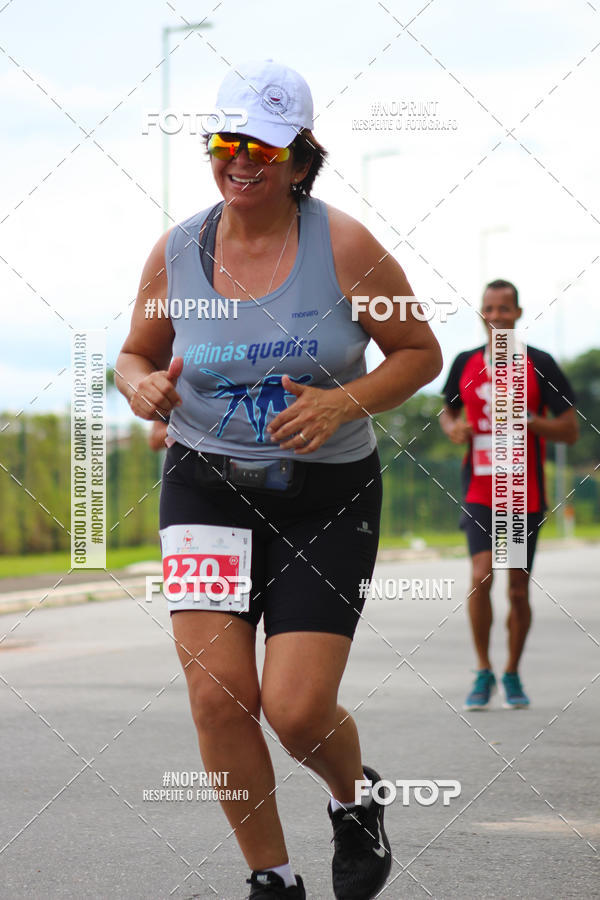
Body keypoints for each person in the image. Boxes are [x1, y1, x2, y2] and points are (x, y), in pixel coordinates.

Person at [116, 59, 442, 900]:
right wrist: (138, 386)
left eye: (263, 145)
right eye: (227, 140)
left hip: (325, 498)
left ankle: (355, 797)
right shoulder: (178, 249)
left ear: (300, 159)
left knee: (294, 712)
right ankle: (273, 878)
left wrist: (343, 403)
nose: (241, 159)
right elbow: (134, 354)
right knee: (219, 698)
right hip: (204, 485)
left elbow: (419, 354)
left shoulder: (344, 246)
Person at [440, 280, 578, 711]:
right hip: (480, 489)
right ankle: (483, 670)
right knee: (482, 574)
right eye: (489, 309)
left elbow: (570, 430)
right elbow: (448, 410)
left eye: (505, 309)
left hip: (520, 493)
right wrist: (453, 428)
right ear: (481, 315)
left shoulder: (539, 363)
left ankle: (512, 671)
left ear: (518, 314)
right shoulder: (465, 362)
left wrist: (529, 421)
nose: (497, 316)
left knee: (517, 588)